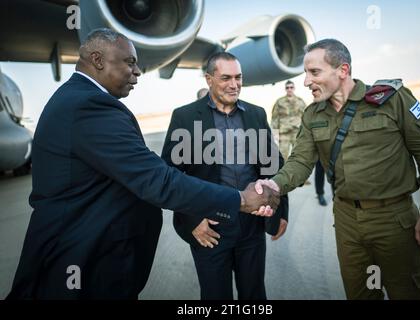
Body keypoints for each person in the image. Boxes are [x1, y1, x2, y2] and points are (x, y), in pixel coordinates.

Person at [6, 29, 279, 300]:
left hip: (247, 232)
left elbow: (270, 163)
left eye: (238, 78)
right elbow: (160, 177)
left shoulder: (83, 101)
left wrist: (276, 207)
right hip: (83, 260)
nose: (137, 72)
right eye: (130, 62)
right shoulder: (89, 106)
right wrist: (239, 200)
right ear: (98, 60)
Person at [256, 39, 420, 299]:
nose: (306, 82)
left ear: (342, 70)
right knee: (361, 294)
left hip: (394, 220)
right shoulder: (313, 115)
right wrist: (275, 184)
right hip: (347, 221)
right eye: (305, 74)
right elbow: (300, 161)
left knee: (407, 292)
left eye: (315, 73)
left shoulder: (392, 99)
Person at [161, 52, 289, 300]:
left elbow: (274, 166)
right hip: (210, 226)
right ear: (209, 79)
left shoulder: (256, 114)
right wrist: (193, 219)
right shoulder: (185, 117)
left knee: (254, 294)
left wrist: (281, 209)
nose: (234, 84)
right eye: (226, 78)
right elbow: (171, 174)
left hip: (252, 224)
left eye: (238, 77)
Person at [271, 80, 306, 161]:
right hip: (284, 133)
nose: (289, 89)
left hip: (297, 132)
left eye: (291, 87)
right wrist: (275, 133)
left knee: (298, 155)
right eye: (287, 88)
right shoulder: (280, 101)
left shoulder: (300, 101)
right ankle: (284, 173)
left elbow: (306, 117)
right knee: (283, 156)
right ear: (285, 89)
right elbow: (274, 118)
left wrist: (305, 133)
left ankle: (297, 173)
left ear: (294, 88)